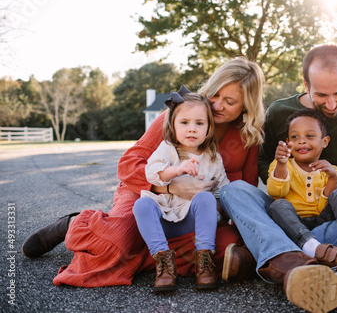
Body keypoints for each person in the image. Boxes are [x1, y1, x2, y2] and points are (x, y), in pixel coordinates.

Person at [22, 57, 264, 287]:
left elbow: (247, 189)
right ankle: (76, 224)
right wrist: (169, 186)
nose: (217, 105)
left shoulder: (249, 135)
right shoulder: (179, 115)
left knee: (224, 244)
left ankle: (151, 255)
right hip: (147, 193)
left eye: (230, 102)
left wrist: (226, 215)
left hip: (199, 209)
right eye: (215, 94)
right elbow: (127, 165)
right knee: (118, 240)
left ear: (246, 106)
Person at [220, 43, 337, 313]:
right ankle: (317, 256)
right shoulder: (278, 111)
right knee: (234, 191)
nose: (331, 104)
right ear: (306, 84)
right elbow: (264, 162)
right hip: (284, 210)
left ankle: (281, 254)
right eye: (321, 94)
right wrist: (285, 177)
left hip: (335, 213)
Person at [134, 87, 230, 291]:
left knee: (206, 199)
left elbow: (223, 191)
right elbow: (152, 172)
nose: (192, 129)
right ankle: (164, 264)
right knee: (142, 205)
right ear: (173, 125)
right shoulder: (168, 148)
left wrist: (219, 214)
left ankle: (204, 263)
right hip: (163, 219)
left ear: (209, 128)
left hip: (190, 220)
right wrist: (175, 170)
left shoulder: (213, 158)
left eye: (199, 123)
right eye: (184, 123)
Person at [267, 108, 337, 277]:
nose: (302, 141)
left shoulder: (331, 170)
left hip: (323, 221)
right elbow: (276, 191)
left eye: (309, 136)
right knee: (278, 205)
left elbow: (327, 206)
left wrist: (332, 179)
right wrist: (281, 164)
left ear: (325, 141)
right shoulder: (281, 166)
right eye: (294, 137)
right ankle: (312, 249)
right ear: (287, 142)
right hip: (294, 225)